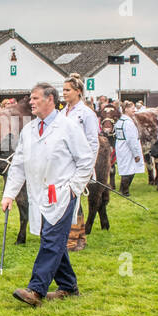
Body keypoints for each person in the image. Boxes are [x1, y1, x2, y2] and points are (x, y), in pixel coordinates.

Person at [0, 82, 94, 307]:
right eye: (30, 99)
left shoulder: (68, 127)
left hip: (62, 193)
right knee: (52, 238)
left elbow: (86, 160)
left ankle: (36, 289)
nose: (30, 102)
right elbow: (19, 164)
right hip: (38, 194)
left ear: (50, 99)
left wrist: (73, 188)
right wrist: (9, 194)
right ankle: (68, 287)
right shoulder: (29, 130)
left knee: (51, 239)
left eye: (35, 98)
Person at [61, 73, 99, 251]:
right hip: (64, 162)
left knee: (72, 199)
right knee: (71, 199)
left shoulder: (87, 114)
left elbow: (93, 142)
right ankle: (79, 238)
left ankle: (72, 239)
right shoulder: (62, 112)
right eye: (63, 90)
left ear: (78, 91)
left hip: (79, 162)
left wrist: (88, 167)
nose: (64, 93)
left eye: (67, 90)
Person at [113, 102, 145, 196]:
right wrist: (136, 154)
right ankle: (125, 191)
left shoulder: (120, 121)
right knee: (129, 169)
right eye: (132, 108)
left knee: (125, 168)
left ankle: (122, 189)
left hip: (121, 146)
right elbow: (131, 140)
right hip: (127, 148)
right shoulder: (128, 123)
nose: (134, 110)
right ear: (126, 109)